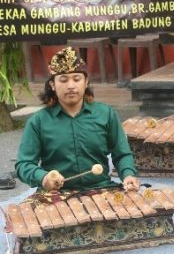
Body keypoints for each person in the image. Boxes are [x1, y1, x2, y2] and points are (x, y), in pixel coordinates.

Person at [15, 47, 140, 196]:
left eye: (76, 79)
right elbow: (24, 165)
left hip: (101, 189)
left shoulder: (106, 114)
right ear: (52, 85)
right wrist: (43, 178)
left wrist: (128, 174)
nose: (71, 86)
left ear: (86, 82)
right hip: (57, 195)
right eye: (63, 80)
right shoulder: (38, 122)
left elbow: (122, 154)